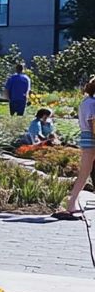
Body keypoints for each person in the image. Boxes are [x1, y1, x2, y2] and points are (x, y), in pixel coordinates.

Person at [56, 76, 95, 220]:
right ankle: (71, 203)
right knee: (85, 172)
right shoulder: (92, 103)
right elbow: (92, 122)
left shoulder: (85, 102)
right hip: (92, 138)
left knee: (85, 172)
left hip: (85, 137)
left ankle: (72, 202)